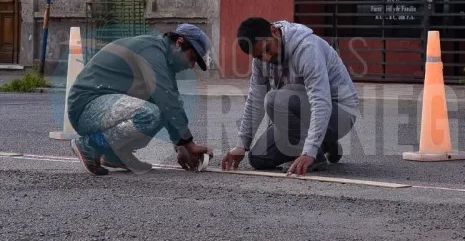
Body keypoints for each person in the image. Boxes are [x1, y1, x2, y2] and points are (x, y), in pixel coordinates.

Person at [67, 23, 213, 176]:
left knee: (164, 109)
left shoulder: (161, 58)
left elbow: (170, 103)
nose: (192, 65)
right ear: (179, 43)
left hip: (105, 107)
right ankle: (90, 145)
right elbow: (165, 97)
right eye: (192, 57)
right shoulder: (151, 50)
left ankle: (113, 155)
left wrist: (180, 144)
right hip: (86, 106)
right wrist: (188, 143)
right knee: (150, 114)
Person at [221, 17, 359, 176]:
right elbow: (255, 100)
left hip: (340, 113)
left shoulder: (307, 49)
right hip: (306, 113)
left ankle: (315, 153)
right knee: (258, 157)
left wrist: (309, 151)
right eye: (259, 56)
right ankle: (323, 143)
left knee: (274, 99)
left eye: (267, 49)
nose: (266, 58)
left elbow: (321, 102)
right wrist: (242, 144)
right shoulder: (261, 60)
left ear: (274, 32)